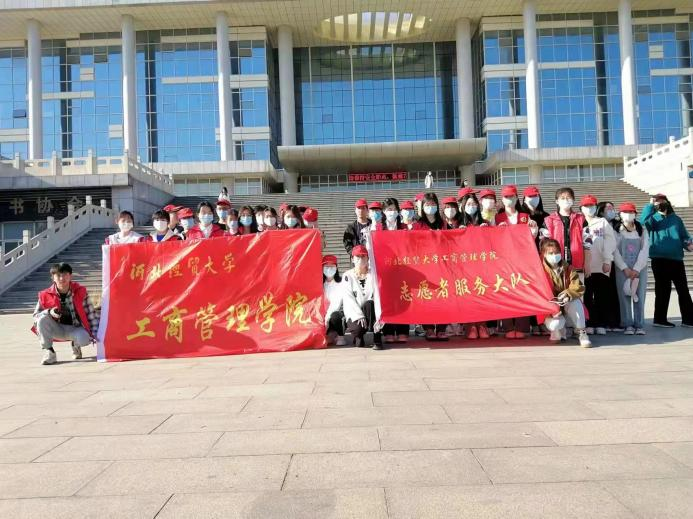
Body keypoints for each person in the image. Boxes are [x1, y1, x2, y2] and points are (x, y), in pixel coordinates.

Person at [641, 194, 693, 328]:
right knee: (663, 290)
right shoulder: (653, 218)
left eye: (662, 201)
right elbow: (643, 222)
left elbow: (684, 236)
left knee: (683, 290)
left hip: (676, 259)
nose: (660, 203)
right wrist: (650, 205)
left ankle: (688, 319)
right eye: (657, 202)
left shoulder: (676, 219)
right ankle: (660, 319)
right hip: (659, 260)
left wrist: (688, 243)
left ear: (667, 202)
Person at [31, 262, 99, 365]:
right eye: (58, 275)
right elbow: (35, 316)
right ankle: (49, 352)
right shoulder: (45, 294)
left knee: (84, 339)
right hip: (56, 328)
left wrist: (96, 336)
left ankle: (76, 345)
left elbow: (91, 314)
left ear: (70, 276)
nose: (62, 278)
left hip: (75, 328)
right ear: (53, 278)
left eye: (65, 275)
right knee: (41, 319)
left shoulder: (80, 291)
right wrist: (49, 312)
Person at [540, 239, 592, 348]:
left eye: (556, 252)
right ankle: (557, 331)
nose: (554, 255)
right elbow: (539, 292)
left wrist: (568, 294)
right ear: (544, 254)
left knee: (576, 303)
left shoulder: (568, 268)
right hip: (550, 306)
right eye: (550, 253)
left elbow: (578, 286)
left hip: (566, 301)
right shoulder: (540, 270)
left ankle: (582, 333)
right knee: (555, 325)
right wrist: (552, 307)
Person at [580, 194, 617, 336]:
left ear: (596, 207)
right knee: (587, 296)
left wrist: (607, 260)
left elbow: (610, 242)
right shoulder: (579, 222)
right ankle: (589, 322)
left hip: (601, 266)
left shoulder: (602, 222)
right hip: (585, 266)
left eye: (592, 205)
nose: (589, 208)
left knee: (601, 296)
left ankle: (601, 323)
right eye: (586, 206)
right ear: (581, 208)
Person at [416, 193, 449, 340]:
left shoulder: (443, 224)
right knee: (426, 297)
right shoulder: (418, 225)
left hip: (442, 265)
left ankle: (441, 328)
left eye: (433, 204)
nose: (430, 207)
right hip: (424, 266)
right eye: (427, 204)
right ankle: (428, 328)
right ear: (422, 207)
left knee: (443, 296)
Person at [614, 202, 649, 335]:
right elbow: (614, 251)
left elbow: (645, 249)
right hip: (622, 268)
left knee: (639, 295)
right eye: (626, 212)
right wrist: (624, 268)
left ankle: (639, 324)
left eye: (631, 212)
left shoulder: (642, 230)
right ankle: (627, 324)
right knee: (624, 296)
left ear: (635, 214)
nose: (629, 215)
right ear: (620, 214)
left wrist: (637, 268)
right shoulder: (616, 231)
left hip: (640, 268)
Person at [342, 245, 383, 350]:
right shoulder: (347, 276)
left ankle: (377, 337)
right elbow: (349, 299)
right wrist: (359, 315)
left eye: (363, 256)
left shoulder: (374, 274)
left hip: (370, 310)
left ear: (368, 258)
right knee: (358, 333)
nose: (361, 259)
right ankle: (358, 336)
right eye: (358, 257)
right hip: (354, 312)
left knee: (371, 304)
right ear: (352, 259)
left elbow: (377, 294)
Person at [544, 187, 587, 274]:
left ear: (573, 200)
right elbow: (544, 244)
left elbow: (588, 245)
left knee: (577, 283)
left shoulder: (581, 219)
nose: (566, 200)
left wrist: (587, 264)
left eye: (568, 197)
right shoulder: (548, 220)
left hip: (578, 264)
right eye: (562, 198)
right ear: (557, 201)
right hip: (555, 265)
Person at [597, 200, 623, 332]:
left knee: (614, 292)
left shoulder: (619, 225)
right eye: (608, 209)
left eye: (612, 208)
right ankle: (603, 320)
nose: (611, 211)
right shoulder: (596, 224)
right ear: (601, 211)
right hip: (599, 262)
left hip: (614, 262)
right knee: (602, 293)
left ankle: (615, 321)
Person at [323, 255, 346, 346]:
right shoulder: (320, 284)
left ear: (336, 268)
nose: (329, 269)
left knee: (335, 316)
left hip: (334, 315)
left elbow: (336, 304)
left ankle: (340, 335)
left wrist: (327, 318)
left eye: (331, 266)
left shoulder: (341, 283)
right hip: (322, 315)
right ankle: (329, 334)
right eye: (326, 267)